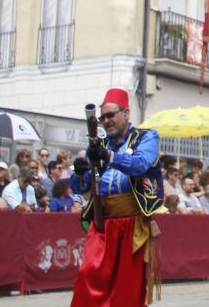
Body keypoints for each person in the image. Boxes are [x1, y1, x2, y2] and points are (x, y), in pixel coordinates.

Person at [69, 88, 165, 307]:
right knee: (88, 277)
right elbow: (81, 186)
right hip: (102, 224)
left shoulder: (147, 136)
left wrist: (109, 156)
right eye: (102, 117)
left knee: (126, 290)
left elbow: (140, 165)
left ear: (126, 113)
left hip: (132, 224)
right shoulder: (99, 143)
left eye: (111, 115)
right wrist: (79, 171)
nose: (106, 120)